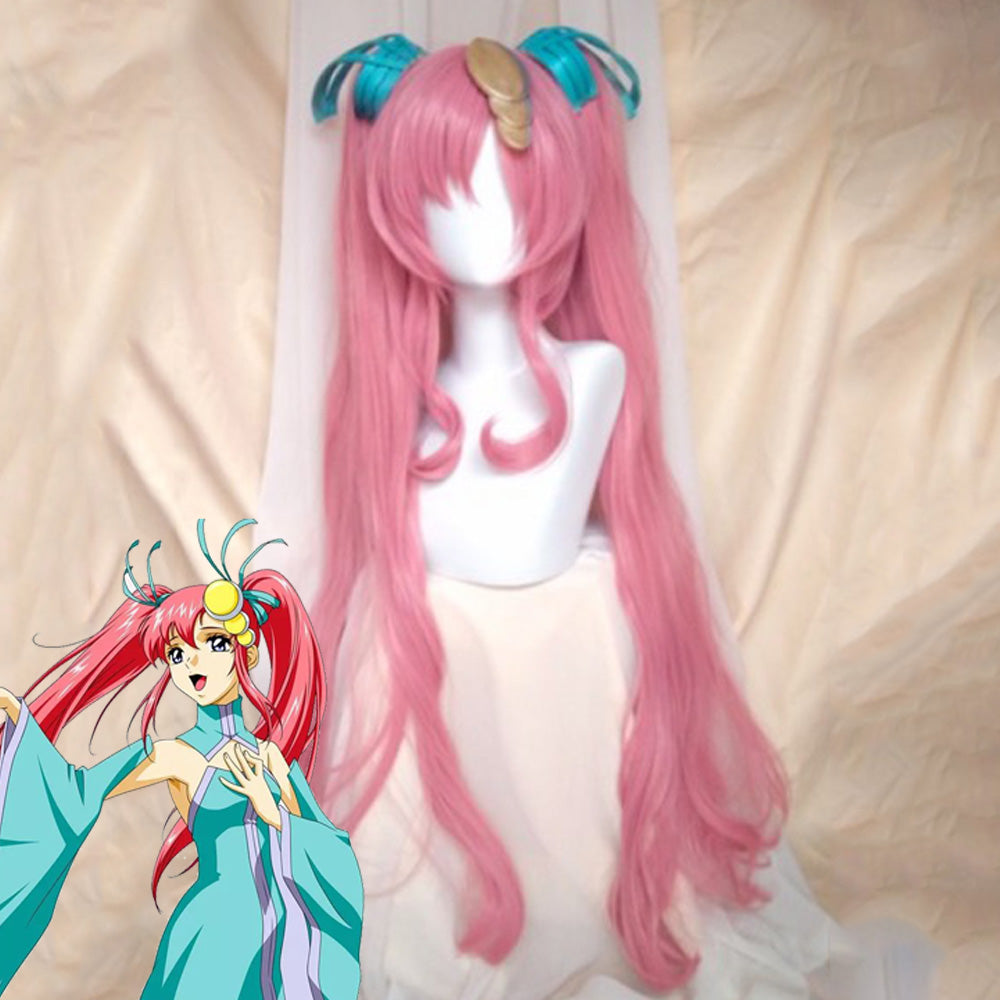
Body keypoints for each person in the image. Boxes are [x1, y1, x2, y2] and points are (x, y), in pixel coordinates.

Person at [0, 519, 364, 999]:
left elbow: (332, 857)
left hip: (283, 943)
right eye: (176, 653)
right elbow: (74, 792)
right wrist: (22, 731)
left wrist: (270, 807)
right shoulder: (175, 755)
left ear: (245, 652)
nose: (192, 662)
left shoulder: (272, 758)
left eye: (214, 643)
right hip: (212, 940)